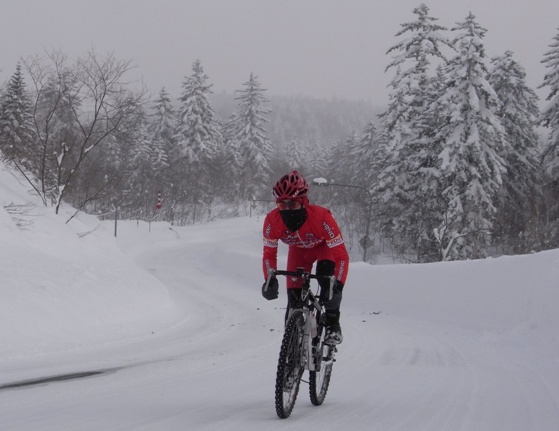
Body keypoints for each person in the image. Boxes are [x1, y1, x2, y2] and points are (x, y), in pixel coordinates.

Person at [261, 170, 349, 345]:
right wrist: (269, 279)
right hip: (298, 252)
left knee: (328, 285)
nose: (287, 210)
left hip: (324, 249)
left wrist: (337, 285)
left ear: (303, 202)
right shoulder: (272, 221)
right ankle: (292, 355)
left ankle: (333, 325)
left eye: (292, 205)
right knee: (293, 299)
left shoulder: (322, 217)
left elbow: (341, 256)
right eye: (281, 205)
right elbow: (269, 254)